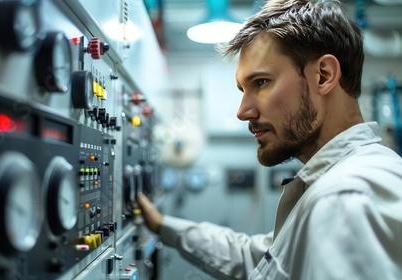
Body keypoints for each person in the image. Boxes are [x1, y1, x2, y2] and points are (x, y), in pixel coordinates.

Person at [137, 0, 402, 279]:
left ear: (323, 76)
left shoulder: (346, 199)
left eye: (261, 82)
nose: (242, 112)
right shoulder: (334, 183)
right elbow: (262, 259)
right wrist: (163, 225)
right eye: (243, 89)